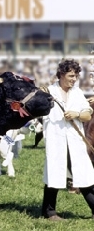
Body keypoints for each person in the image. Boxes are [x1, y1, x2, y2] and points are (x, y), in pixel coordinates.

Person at [41, 59, 94, 220]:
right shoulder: (49, 92)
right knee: (54, 173)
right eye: (71, 75)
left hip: (75, 140)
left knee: (83, 173)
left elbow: (87, 115)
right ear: (61, 74)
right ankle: (49, 212)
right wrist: (40, 94)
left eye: (76, 76)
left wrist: (76, 114)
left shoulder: (77, 93)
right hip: (56, 139)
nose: (74, 79)